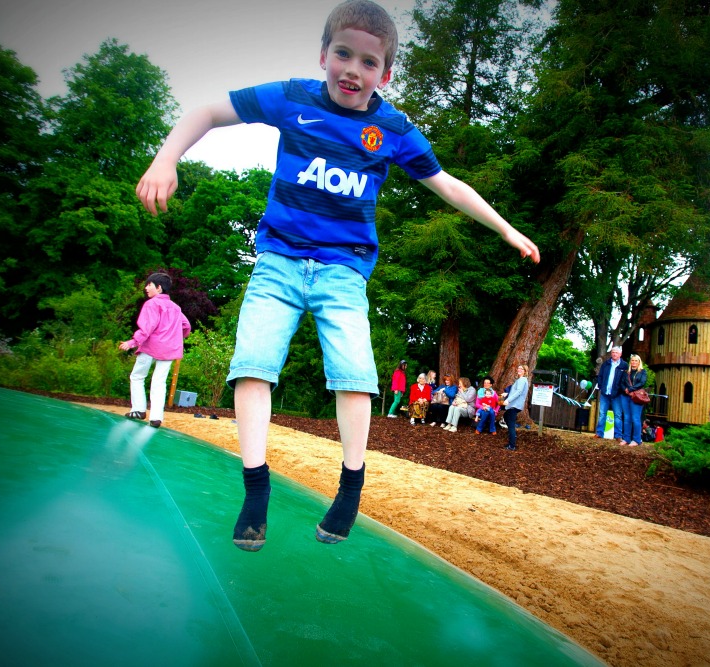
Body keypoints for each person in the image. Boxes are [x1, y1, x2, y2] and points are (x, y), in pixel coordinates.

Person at [136, 0, 539, 550]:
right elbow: (207, 111)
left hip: (343, 270)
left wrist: (506, 229)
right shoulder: (293, 98)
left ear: (385, 73)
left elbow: (446, 183)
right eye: (343, 54)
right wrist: (166, 159)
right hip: (278, 261)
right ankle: (256, 488)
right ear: (324, 55)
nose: (353, 69)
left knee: (355, 374)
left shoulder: (391, 127)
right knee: (252, 365)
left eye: (368, 62)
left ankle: (351, 485)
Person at [118, 272, 191, 429]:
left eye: (149, 285)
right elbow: (186, 326)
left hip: (151, 347)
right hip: (169, 350)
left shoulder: (151, 304)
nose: (146, 288)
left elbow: (147, 327)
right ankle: (156, 417)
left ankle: (138, 410)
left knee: (137, 376)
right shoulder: (176, 308)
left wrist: (133, 342)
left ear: (159, 288)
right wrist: (175, 338)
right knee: (159, 382)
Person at [593, 346, 629, 442]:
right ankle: (599, 433)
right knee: (602, 413)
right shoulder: (606, 364)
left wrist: (620, 390)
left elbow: (625, 380)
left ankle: (618, 435)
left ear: (620, 354)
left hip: (617, 394)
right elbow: (600, 376)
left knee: (617, 415)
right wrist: (601, 386)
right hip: (605, 392)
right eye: (613, 352)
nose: (614, 354)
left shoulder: (624, 365)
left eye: (616, 352)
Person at [620, 354, 648, 447]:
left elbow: (642, 382)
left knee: (635, 418)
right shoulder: (626, 372)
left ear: (639, 362)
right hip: (626, 396)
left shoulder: (642, 372)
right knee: (627, 418)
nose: (634, 362)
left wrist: (631, 389)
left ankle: (636, 439)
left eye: (636, 360)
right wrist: (625, 390)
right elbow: (622, 383)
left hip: (636, 397)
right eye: (632, 360)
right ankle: (626, 438)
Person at [501, 363, 529, 451]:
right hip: (514, 405)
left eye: (521, 369)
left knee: (511, 424)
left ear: (525, 371)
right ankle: (512, 435)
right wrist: (507, 394)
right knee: (506, 417)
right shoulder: (520, 380)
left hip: (514, 405)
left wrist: (507, 400)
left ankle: (512, 445)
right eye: (518, 368)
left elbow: (518, 392)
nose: (519, 370)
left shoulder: (522, 380)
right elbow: (515, 392)